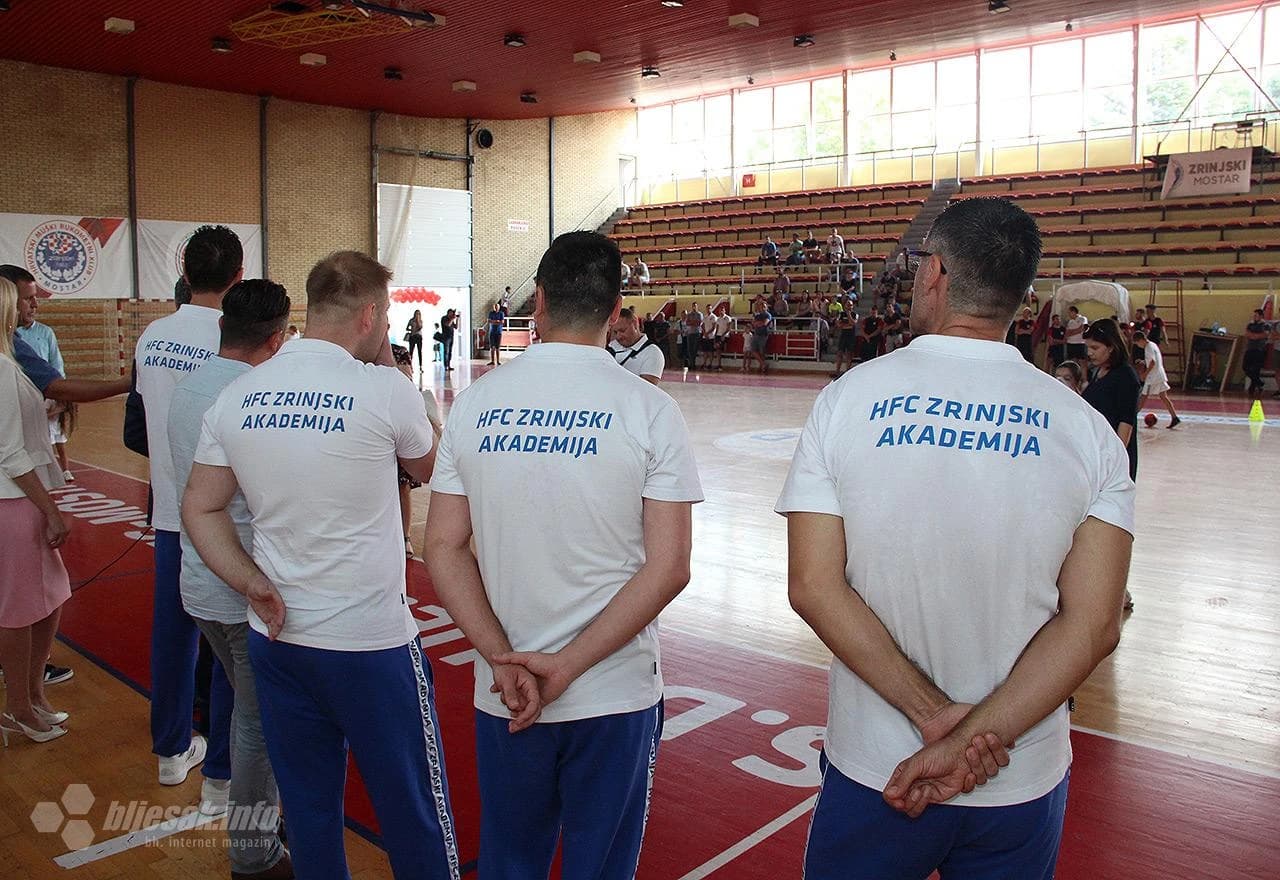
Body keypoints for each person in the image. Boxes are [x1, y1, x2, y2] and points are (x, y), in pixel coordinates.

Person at [777, 196, 1135, 880]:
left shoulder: (846, 401)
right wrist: (978, 736)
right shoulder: (1086, 430)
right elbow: (1094, 625)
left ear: (933, 272)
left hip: (880, 766)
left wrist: (936, 718)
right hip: (1017, 773)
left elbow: (813, 587)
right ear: (1021, 296)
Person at [425, 230, 701, 880]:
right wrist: (569, 666)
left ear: (540, 301)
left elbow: (442, 545)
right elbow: (670, 567)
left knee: (510, 859)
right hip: (612, 691)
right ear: (615, 310)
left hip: (506, 688)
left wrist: (502, 657)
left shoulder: (476, 403)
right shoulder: (650, 411)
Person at [182, 251, 458, 880]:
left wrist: (249, 581)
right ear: (370, 315)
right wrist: (392, 371)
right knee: (414, 810)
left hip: (278, 639)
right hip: (370, 645)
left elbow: (200, 506)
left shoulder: (240, 393)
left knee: (308, 811)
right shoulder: (383, 389)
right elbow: (433, 472)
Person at [168, 279, 292, 876]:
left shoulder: (189, 385)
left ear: (222, 326)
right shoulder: (252, 397)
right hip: (242, 586)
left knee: (248, 709)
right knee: (258, 723)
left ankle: (259, 824)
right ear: (277, 339)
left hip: (200, 579)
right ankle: (253, 850)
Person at [133, 226, 237, 792]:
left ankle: (171, 749)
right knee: (228, 645)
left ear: (185, 272)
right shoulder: (230, 339)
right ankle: (221, 765)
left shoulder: (153, 335)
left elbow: (142, 418)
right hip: (220, 518)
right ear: (238, 277)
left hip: (170, 513)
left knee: (172, 637)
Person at [0, 277, 72, 745]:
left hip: (20, 498)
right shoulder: (2, 370)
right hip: (14, 501)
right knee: (19, 608)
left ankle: (32, 694)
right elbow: (10, 453)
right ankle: (18, 707)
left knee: (51, 594)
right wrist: (51, 510)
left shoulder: (9, 364)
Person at [12, 275, 72, 481]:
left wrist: (59, 396)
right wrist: (122, 385)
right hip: (30, 400)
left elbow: (56, 366)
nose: (35, 304)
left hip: (44, 396)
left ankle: (63, 469)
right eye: (28, 298)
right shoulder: (11, 343)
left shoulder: (44, 332)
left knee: (52, 437)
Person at [1083, 319, 1142, 482]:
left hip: (1112, 460)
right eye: (1088, 347)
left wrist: (1114, 463)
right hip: (1096, 453)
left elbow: (1126, 423)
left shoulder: (1126, 376)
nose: (1089, 353)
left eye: (1095, 348)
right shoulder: (1098, 371)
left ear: (1111, 347)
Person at [1132, 329, 1180, 428]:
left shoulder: (1148, 347)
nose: (1138, 346)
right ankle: (1174, 417)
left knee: (1143, 397)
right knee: (1163, 396)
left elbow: (1153, 362)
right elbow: (1153, 360)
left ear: (1140, 340)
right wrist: (1144, 362)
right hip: (1160, 374)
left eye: (1137, 344)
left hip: (1153, 377)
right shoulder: (1153, 344)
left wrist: (1145, 374)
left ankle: (1132, 417)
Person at [607, 306, 664, 384]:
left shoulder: (653, 353)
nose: (618, 336)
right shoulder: (610, 347)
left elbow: (646, 389)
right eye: (615, 332)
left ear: (635, 324)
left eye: (622, 330)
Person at [1243, 309, 1269, 398]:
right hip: (1250, 349)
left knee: (1256, 370)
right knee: (1245, 367)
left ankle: (1252, 388)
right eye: (1254, 315)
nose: (1254, 317)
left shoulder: (1266, 325)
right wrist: (1255, 336)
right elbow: (1247, 334)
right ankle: (1260, 383)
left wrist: (1254, 336)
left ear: (1261, 316)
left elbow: (1264, 335)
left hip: (1259, 350)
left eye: (1256, 315)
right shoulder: (1250, 324)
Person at [744, 303, 771, 375]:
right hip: (756, 334)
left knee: (762, 351)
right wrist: (758, 323)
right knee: (753, 350)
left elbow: (765, 323)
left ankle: (762, 366)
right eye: (761, 307)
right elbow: (754, 323)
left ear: (766, 308)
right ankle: (763, 364)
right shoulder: (757, 315)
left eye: (764, 307)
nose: (762, 308)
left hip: (763, 335)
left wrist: (758, 323)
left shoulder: (767, 315)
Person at [832, 309, 857, 378]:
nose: (849, 307)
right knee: (840, 353)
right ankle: (837, 372)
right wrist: (847, 325)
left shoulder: (855, 314)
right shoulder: (841, 314)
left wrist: (849, 315)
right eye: (848, 305)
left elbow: (853, 323)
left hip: (851, 336)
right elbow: (838, 324)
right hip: (843, 336)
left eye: (850, 305)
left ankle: (847, 372)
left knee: (849, 354)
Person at [706, 303, 732, 371]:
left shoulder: (728, 318)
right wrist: (715, 336)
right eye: (720, 310)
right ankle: (719, 365)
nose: (721, 311)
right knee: (717, 350)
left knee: (718, 348)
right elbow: (717, 328)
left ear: (724, 311)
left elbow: (728, 328)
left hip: (724, 335)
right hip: (718, 335)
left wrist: (723, 335)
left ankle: (719, 365)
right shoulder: (718, 319)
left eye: (722, 310)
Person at [681, 303, 704, 371]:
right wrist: (693, 322)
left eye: (695, 306)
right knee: (690, 349)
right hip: (690, 333)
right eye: (693, 306)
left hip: (697, 333)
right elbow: (687, 323)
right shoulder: (689, 314)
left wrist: (692, 322)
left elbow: (699, 323)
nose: (694, 307)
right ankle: (691, 364)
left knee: (695, 349)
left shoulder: (699, 314)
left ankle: (693, 363)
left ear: (697, 307)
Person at [1065, 306, 1088, 371]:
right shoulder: (1070, 322)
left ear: (1074, 312)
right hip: (1070, 343)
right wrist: (1077, 330)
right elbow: (1067, 333)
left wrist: (1072, 332)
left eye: (1069, 312)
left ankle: (1084, 377)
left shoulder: (1082, 319)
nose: (1068, 314)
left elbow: (1082, 329)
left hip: (1080, 343)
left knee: (1082, 362)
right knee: (1072, 363)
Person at [488, 301, 505, 366]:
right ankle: (492, 361)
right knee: (492, 347)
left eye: (497, 307)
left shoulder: (501, 313)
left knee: (497, 347)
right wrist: (496, 321)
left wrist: (494, 322)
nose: (496, 308)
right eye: (495, 307)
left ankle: (498, 361)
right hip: (492, 332)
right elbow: (489, 321)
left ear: (499, 307)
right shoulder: (491, 313)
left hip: (498, 332)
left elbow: (502, 322)